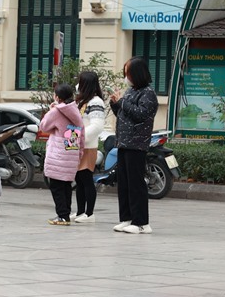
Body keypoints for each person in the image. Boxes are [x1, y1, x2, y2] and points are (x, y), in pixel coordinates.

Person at [110, 56, 159, 234]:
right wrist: (115, 103)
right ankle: (126, 218)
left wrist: (122, 102)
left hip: (137, 145)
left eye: (128, 73)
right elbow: (124, 115)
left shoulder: (148, 94)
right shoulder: (131, 92)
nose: (126, 77)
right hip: (123, 143)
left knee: (136, 183)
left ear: (137, 74)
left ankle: (141, 223)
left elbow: (140, 115)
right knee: (123, 183)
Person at [39, 83, 83, 225]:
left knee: (57, 186)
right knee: (66, 186)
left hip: (58, 153)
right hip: (71, 150)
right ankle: (66, 214)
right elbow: (80, 134)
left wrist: (51, 110)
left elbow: (44, 126)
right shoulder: (75, 110)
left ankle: (62, 216)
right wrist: (80, 152)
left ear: (57, 97)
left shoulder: (57, 111)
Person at [73, 71, 108, 223]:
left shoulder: (96, 102)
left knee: (86, 179)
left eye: (80, 81)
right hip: (77, 145)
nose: (77, 85)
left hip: (87, 146)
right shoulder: (82, 100)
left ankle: (89, 213)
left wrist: (80, 139)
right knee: (78, 180)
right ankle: (80, 211)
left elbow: (97, 126)